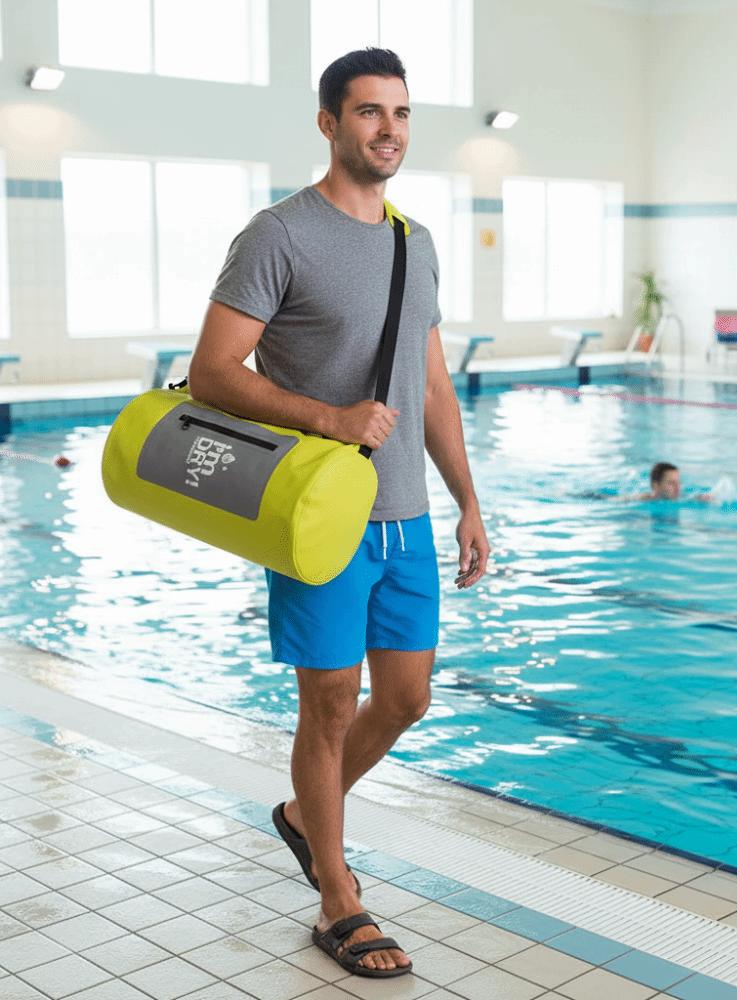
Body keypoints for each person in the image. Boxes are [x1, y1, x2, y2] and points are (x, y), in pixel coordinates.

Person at [188, 48, 489, 980]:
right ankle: (337, 894)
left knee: (406, 699)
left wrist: (468, 501)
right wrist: (331, 418)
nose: (389, 130)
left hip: (403, 518)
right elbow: (213, 372)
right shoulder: (278, 234)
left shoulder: (415, 241)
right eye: (368, 113)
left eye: (400, 113)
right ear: (329, 123)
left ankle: (299, 816)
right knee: (328, 704)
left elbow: (431, 384)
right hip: (321, 518)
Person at [625, 462, 710, 502]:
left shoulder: (679, 496)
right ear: (656, 486)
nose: (677, 488)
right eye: (671, 483)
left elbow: (689, 498)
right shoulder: (641, 500)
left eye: (678, 482)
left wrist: (700, 498)